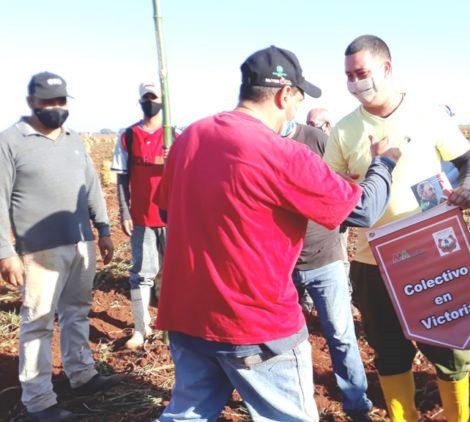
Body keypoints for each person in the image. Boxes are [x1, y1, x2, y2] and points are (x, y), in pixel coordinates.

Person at [154, 46, 399, 422]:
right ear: (286, 95)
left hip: (186, 316)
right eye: (298, 100)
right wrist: (383, 163)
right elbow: (362, 210)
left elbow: (169, 211)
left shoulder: (190, 138)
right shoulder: (282, 153)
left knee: (188, 414)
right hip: (254, 325)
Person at [323, 35, 470, 422]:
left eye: (362, 73)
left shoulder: (429, 116)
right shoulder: (344, 130)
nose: (355, 82)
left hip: (433, 256)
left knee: (451, 349)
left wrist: (469, 190)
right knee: (389, 352)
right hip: (371, 260)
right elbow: (332, 195)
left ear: (387, 69)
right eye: (348, 76)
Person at [0, 72, 119, 421]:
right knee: (37, 321)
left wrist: (104, 229)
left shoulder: (73, 139)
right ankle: (38, 401)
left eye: (61, 101)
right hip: (38, 250)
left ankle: (81, 374)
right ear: (31, 102)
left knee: (77, 311)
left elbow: (92, 186)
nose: (56, 108)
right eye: (48, 102)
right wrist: (5, 253)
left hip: (81, 242)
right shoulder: (10, 141)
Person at [286, 120, 373, 420]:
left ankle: (357, 404)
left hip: (325, 259)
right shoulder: (262, 143)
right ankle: (298, 404)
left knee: (340, 333)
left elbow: (346, 186)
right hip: (282, 264)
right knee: (289, 341)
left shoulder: (317, 140)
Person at [111, 82, 168, 350]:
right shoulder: (128, 136)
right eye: (145, 98)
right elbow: (122, 179)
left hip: (172, 217)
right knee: (141, 273)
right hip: (142, 217)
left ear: (162, 100)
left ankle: (174, 328)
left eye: (153, 97)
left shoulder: (174, 136)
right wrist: (124, 211)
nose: (149, 102)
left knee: (174, 273)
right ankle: (140, 328)